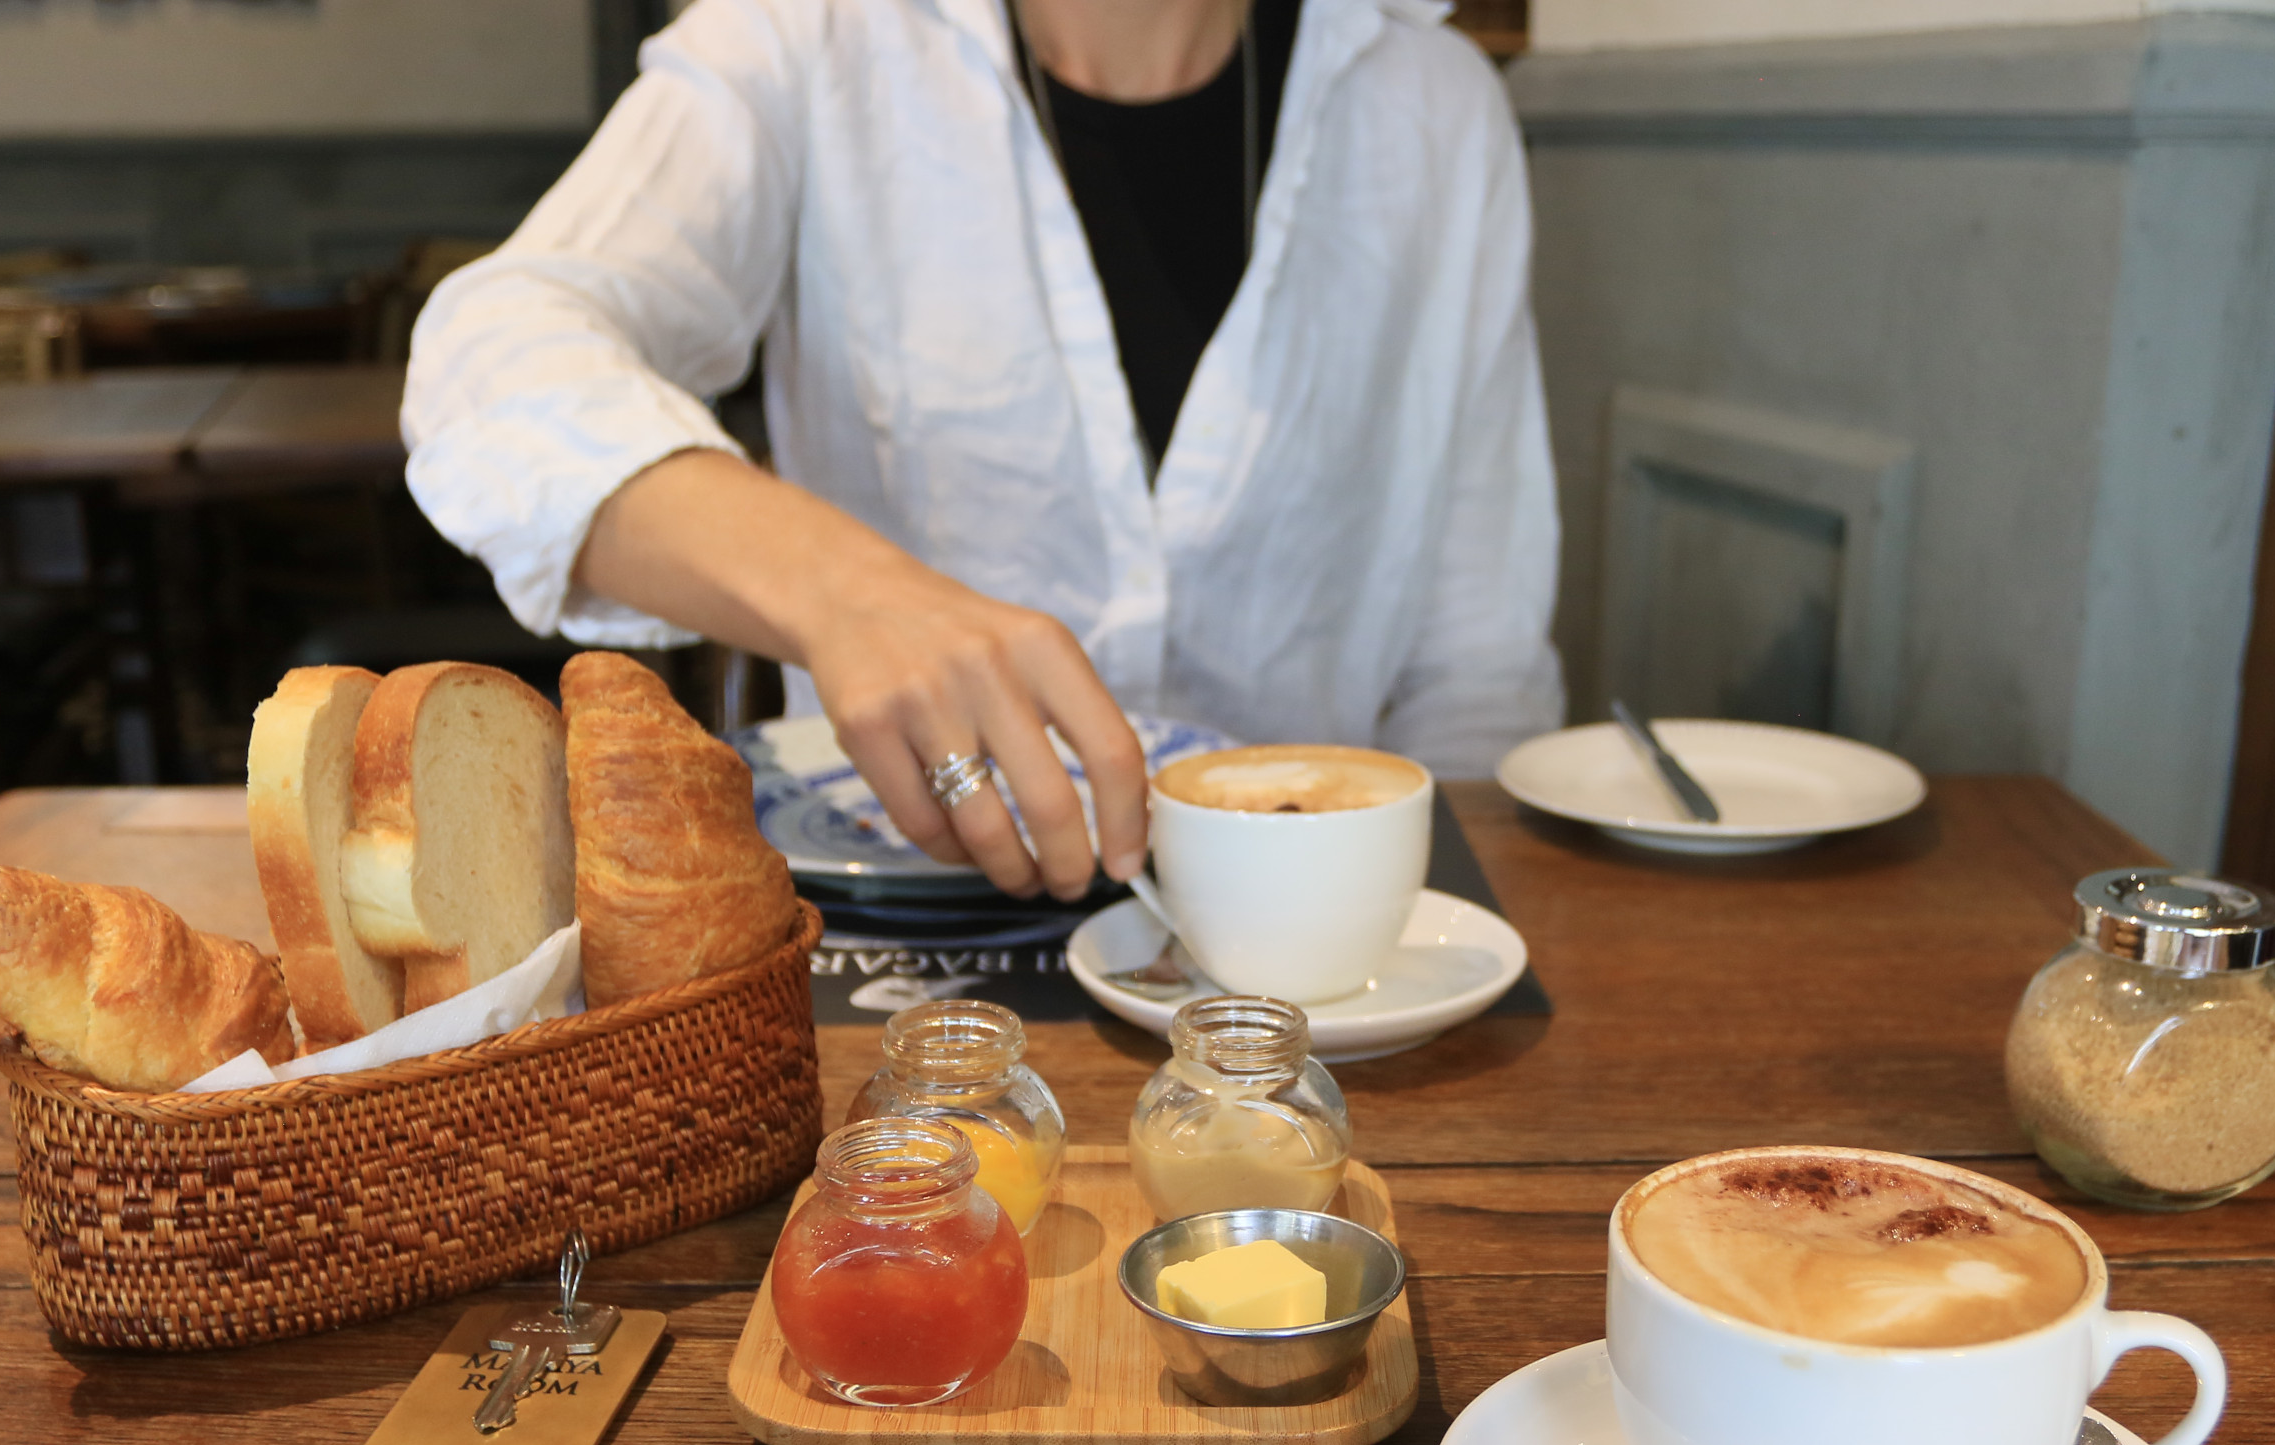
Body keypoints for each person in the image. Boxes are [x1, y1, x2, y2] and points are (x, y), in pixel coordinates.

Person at [403, 0, 1561, 901]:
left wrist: (1415, 939)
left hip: (1299, 964)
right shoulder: (810, 40)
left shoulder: (1433, 105)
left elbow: (1479, 663)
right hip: (900, 935)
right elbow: (491, 358)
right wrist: (849, 596)